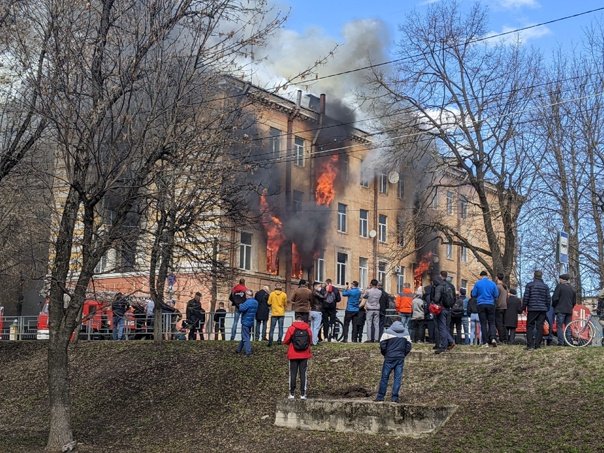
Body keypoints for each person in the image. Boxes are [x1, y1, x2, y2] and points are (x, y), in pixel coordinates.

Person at [375, 318, 412, 403]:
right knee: (397, 378)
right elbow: (409, 346)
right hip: (400, 358)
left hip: (389, 357)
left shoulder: (387, 331)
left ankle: (380, 396)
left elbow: (382, 345)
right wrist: (403, 354)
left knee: (385, 377)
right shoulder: (406, 332)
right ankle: (394, 397)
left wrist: (385, 354)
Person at [283, 315, 313, 399]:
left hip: (293, 353)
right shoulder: (308, 328)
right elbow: (310, 340)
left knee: (292, 373)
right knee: (303, 374)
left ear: (296, 319)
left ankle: (292, 394)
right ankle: (303, 394)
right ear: (302, 320)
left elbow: (286, 340)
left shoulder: (291, 328)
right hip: (304, 354)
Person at [522, 270, 552, 350]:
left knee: (530, 326)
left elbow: (526, 297)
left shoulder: (529, 285)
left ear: (534, 276)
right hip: (542, 309)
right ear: (541, 276)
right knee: (540, 327)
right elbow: (548, 298)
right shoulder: (545, 286)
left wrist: (524, 307)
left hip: (532, 308)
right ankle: (538, 345)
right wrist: (547, 308)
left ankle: (530, 345)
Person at [471, 271, 499, 347]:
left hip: (481, 304)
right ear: (487, 276)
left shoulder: (477, 283)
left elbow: (473, 294)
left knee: (483, 324)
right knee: (492, 323)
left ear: (481, 276)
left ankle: (485, 342)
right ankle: (493, 338)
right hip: (490, 304)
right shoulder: (492, 283)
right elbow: (496, 294)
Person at [433, 271, 456, 354]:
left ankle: (444, 346)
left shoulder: (439, 286)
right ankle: (450, 341)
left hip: (441, 309)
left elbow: (436, 299)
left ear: (440, 276)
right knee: (446, 327)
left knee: (442, 327)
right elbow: (454, 298)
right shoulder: (451, 286)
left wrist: (435, 303)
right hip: (449, 309)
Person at [552, 274, 576, 346]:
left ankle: (561, 342)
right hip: (569, 310)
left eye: (560, 279)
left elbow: (555, 298)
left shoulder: (559, 287)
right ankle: (568, 342)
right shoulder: (572, 288)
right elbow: (574, 301)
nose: (559, 280)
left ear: (562, 279)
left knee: (559, 326)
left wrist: (554, 306)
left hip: (560, 309)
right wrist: (570, 307)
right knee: (568, 326)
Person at [235, 290, 258, 356]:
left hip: (245, 321)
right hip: (251, 321)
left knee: (245, 337)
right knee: (245, 336)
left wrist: (240, 304)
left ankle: (248, 351)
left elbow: (241, 309)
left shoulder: (247, 302)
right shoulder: (255, 302)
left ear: (248, 295)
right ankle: (238, 349)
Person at [495, 273, 508, 344]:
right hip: (505, 306)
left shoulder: (497, 287)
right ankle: (505, 338)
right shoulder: (505, 287)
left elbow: (496, 297)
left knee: (499, 323)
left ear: (497, 277)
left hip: (499, 307)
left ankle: (501, 339)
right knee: (503, 323)